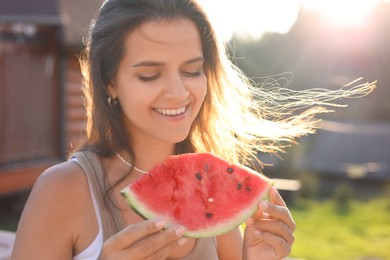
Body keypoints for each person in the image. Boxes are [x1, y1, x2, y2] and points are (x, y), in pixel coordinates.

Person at [11, 0, 375, 259]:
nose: (179, 92)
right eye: (149, 74)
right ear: (110, 82)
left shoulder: (210, 191)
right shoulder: (63, 191)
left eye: (191, 70)